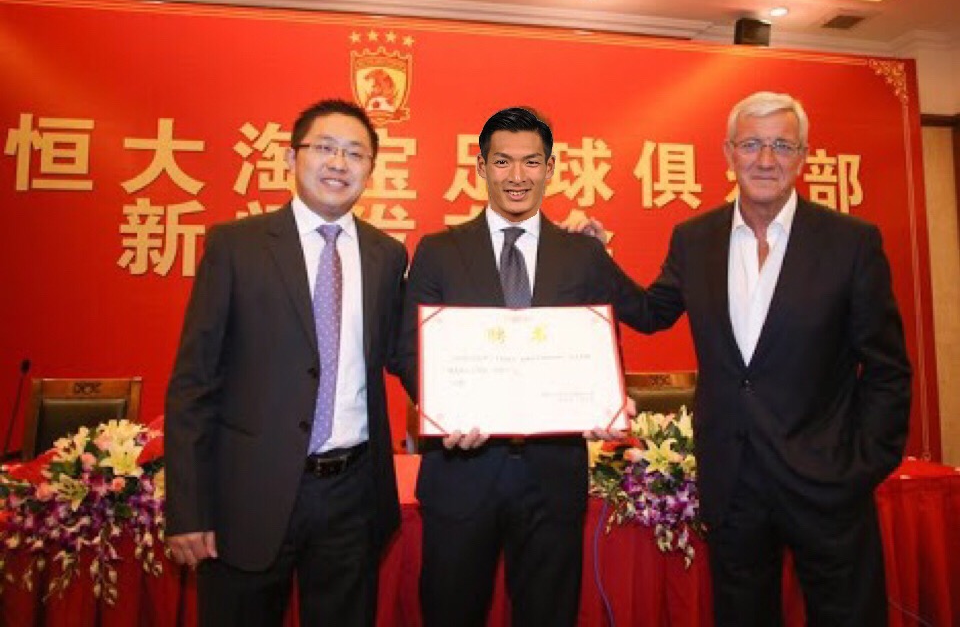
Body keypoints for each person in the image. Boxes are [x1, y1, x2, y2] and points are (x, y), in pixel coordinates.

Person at [637, 91, 912, 625]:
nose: (766, 160)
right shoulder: (695, 239)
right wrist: (591, 256)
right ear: (728, 153)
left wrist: (862, 464)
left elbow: (887, 369)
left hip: (828, 484)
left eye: (782, 146)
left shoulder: (851, 242)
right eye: (752, 145)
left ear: (803, 156)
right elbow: (650, 312)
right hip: (734, 484)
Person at [395, 107, 646, 627]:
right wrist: (443, 411)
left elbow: (608, 345)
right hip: (461, 473)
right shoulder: (439, 251)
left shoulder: (583, 255)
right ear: (480, 167)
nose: (517, 176)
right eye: (502, 161)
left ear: (550, 168)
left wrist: (605, 404)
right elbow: (408, 350)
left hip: (552, 479)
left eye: (531, 162)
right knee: (450, 612)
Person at [164, 99, 408, 627]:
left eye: (355, 153)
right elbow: (193, 385)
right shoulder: (236, 246)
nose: (339, 163)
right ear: (291, 158)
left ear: (371, 169)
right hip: (247, 494)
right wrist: (189, 509)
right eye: (325, 148)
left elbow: (407, 352)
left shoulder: (387, 256)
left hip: (351, 494)